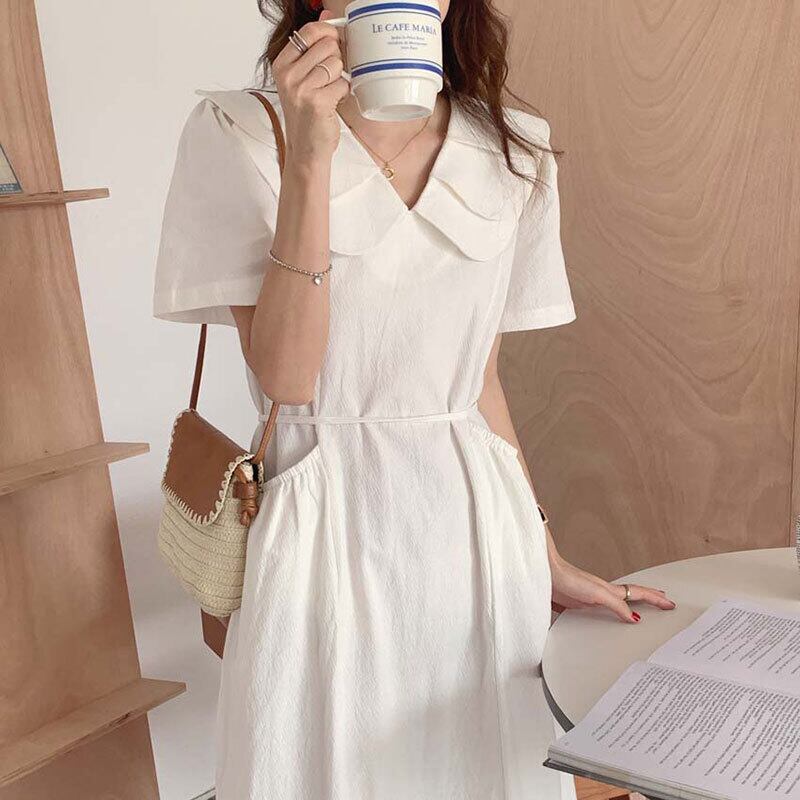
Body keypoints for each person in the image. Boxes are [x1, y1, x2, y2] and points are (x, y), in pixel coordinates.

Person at [152, 1, 677, 797]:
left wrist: (544, 555)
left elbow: (479, 384)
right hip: (323, 520)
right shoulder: (240, 130)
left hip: (476, 528)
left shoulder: (514, 146)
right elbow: (288, 380)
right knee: (323, 763)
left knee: (479, 764)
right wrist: (310, 157)